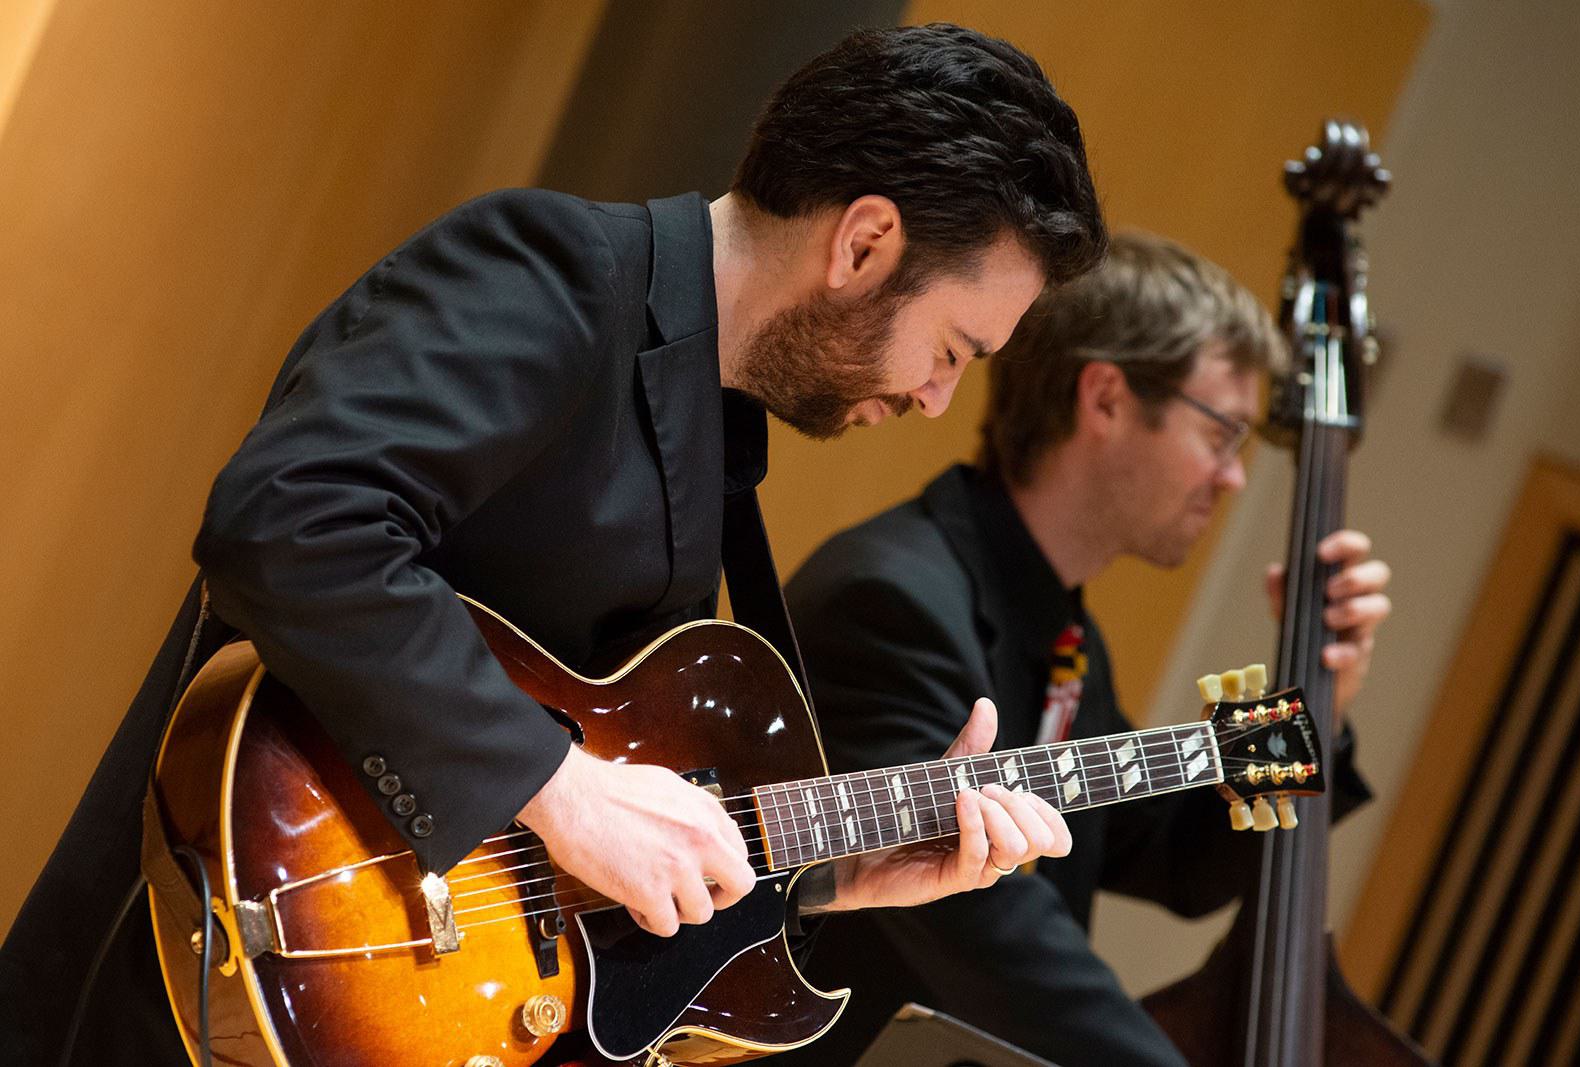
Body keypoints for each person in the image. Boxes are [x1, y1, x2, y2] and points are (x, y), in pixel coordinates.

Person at [0, 23, 1107, 1065]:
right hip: (204, 969)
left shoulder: (711, 414)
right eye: (953, 348)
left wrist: (831, 870)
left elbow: (580, 836)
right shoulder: (552, 272)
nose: (931, 398)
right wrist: (555, 784)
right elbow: (292, 513)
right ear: (864, 242)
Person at [780, 232, 1390, 1066]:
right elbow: (991, 925)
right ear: (1104, 399)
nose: (1234, 477)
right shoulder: (892, 603)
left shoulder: (1065, 634)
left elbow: (1169, 854)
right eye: (1221, 434)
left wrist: (1321, 701)